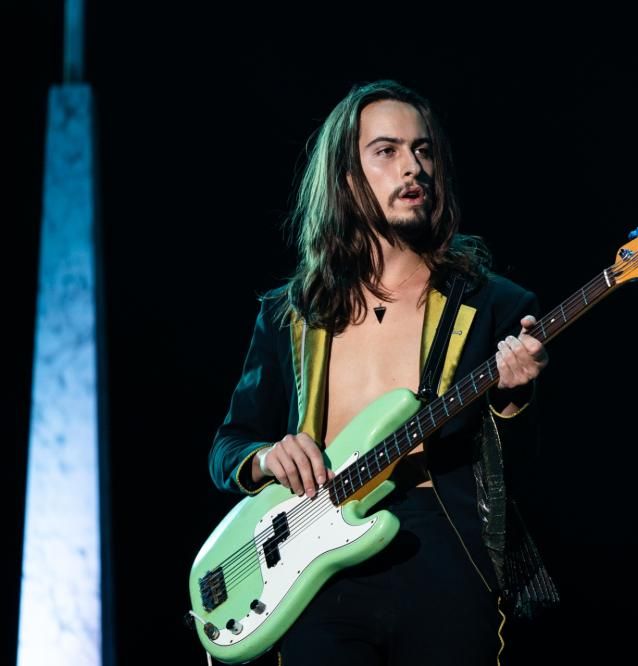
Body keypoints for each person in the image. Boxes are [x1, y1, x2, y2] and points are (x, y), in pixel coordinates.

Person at [207, 79, 559, 665]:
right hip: (315, 560)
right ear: (348, 178)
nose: (412, 167)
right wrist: (268, 457)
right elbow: (228, 446)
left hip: (443, 548)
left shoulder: (491, 303)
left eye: (422, 150)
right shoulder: (290, 315)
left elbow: (533, 469)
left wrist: (514, 399)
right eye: (387, 151)